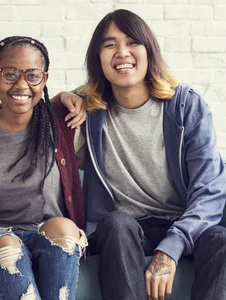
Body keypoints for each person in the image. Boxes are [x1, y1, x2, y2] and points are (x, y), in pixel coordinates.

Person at [57, 9, 226, 300]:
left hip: (181, 223)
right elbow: (21, 105)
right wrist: (58, 98)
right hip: (122, 232)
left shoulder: (186, 107)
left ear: (149, 51)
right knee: (116, 222)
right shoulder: (87, 110)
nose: (122, 53)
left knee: (222, 240)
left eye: (132, 42)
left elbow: (210, 191)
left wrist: (171, 247)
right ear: (98, 58)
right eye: (110, 45)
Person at [0, 36, 88, 300]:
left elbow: (104, 88)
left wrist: (71, 96)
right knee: (9, 245)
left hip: (44, 231)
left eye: (33, 75)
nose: (22, 84)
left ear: (44, 79)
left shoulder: (61, 122)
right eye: (10, 74)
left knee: (64, 229)